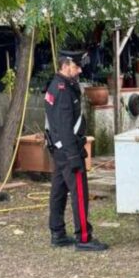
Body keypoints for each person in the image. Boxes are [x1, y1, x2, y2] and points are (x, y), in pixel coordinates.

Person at [44, 56, 108, 251]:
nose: (79, 70)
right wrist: (74, 156)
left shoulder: (56, 85)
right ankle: (84, 238)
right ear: (65, 66)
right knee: (80, 193)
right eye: (76, 67)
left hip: (59, 149)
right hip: (68, 150)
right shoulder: (62, 91)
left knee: (58, 191)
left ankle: (58, 233)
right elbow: (64, 126)